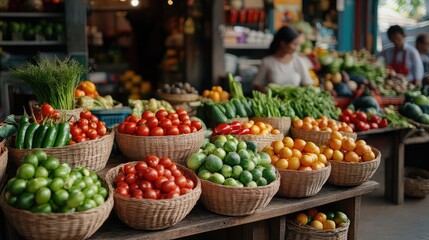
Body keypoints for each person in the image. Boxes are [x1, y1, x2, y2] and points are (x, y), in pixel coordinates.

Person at [253, 26, 314, 92]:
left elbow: (308, 83)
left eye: (297, 45)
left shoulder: (298, 61)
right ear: (282, 44)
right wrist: (268, 92)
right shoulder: (267, 62)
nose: (296, 48)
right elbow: (256, 85)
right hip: (274, 101)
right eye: (294, 44)